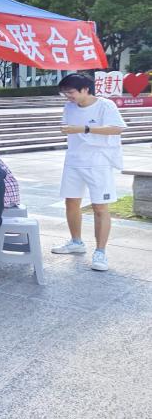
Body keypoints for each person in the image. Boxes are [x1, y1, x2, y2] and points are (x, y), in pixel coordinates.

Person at [52, 73, 126, 271]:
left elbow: (117, 129)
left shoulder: (105, 105)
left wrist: (85, 128)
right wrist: (68, 129)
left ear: (85, 89)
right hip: (74, 160)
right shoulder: (69, 106)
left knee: (100, 207)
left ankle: (100, 252)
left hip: (98, 161)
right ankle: (76, 242)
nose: (68, 97)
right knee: (71, 202)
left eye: (71, 92)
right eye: (65, 93)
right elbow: (67, 126)